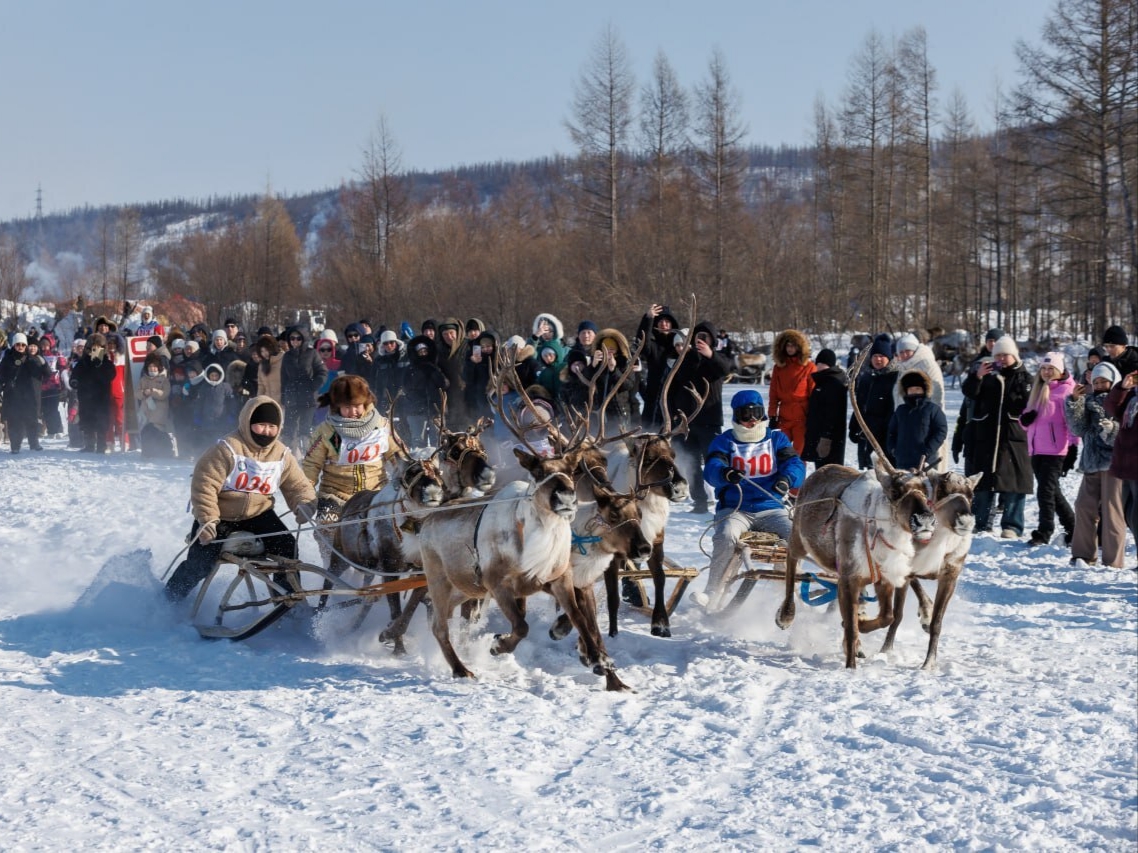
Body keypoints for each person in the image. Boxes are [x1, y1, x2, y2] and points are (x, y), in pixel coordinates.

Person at [165, 396, 316, 601]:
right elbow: (205, 484)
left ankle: (286, 601)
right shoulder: (228, 449)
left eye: (272, 426)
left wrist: (304, 504)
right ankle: (170, 597)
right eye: (261, 425)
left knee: (287, 547)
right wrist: (208, 520)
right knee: (200, 562)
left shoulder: (281, 455)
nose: (266, 431)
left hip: (259, 515)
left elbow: (298, 485)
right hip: (220, 515)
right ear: (248, 422)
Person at [701, 389, 805, 610]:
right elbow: (711, 468)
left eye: (756, 413)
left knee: (795, 537)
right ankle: (713, 591)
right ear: (736, 416)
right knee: (726, 535)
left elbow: (794, 464)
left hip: (771, 507)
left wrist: (787, 479)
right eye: (745, 415)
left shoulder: (776, 439)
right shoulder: (724, 441)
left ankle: (789, 590)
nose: (752, 420)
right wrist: (724, 473)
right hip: (736, 508)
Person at [961, 335, 1033, 538]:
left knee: (1014, 482)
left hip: (1013, 437)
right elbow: (969, 393)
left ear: (1014, 355)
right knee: (984, 481)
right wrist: (977, 377)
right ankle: (980, 522)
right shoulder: (987, 374)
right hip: (987, 436)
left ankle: (1012, 525)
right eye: (998, 355)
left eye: (1005, 355)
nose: (1001, 359)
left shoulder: (1024, 377)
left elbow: (1030, 402)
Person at [666, 323, 732, 513]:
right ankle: (700, 501)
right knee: (692, 464)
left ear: (712, 339)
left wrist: (710, 355)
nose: (701, 340)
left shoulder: (718, 358)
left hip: (709, 421)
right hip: (685, 422)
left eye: (705, 336)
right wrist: (673, 415)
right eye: (697, 336)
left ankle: (726, 499)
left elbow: (725, 370)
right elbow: (672, 388)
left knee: (715, 461)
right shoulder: (685, 360)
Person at [1064, 362, 1126, 567]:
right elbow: (1077, 429)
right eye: (1096, 381)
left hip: (1113, 464)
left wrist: (1112, 429)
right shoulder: (1088, 400)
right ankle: (1082, 555)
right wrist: (1075, 401)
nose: (1099, 385)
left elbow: (1126, 433)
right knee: (1083, 506)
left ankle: (1113, 560)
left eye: (1103, 381)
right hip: (1091, 463)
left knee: (1112, 510)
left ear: (1113, 381)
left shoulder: (1122, 400)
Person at [1020, 352, 1079, 545]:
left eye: (1050, 368)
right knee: (1053, 492)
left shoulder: (1067, 391)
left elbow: (1073, 422)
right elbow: (1026, 418)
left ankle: (1044, 532)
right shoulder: (1038, 388)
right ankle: (1074, 528)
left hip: (1055, 451)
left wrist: (1073, 448)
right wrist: (1024, 420)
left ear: (1059, 370)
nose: (1046, 372)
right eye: (1043, 369)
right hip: (1036, 449)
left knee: (1045, 492)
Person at [892, 332, 948, 471]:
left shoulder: (927, 364)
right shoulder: (903, 367)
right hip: (906, 424)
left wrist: (926, 418)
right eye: (901, 352)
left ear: (916, 350)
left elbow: (936, 395)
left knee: (928, 475)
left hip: (925, 426)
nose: (904, 354)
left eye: (908, 350)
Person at [849, 334, 897, 469]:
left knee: (883, 473)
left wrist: (883, 430)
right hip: (865, 435)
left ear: (889, 357)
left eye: (882, 356)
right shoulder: (866, 378)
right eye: (875, 356)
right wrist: (854, 427)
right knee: (867, 473)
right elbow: (858, 405)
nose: (878, 359)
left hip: (884, 438)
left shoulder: (894, 378)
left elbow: (893, 410)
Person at [1104, 366, 1138, 555]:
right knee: (1128, 512)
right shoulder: (1131, 396)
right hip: (1126, 464)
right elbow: (1111, 408)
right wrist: (1122, 388)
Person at [887, 370, 948, 470]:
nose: (914, 392)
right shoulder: (901, 410)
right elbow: (891, 432)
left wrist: (928, 450)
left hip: (926, 462)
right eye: (911, 389)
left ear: (924, 389)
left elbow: (941, 431)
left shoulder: (932, 409)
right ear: (906, 391)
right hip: (902, 462)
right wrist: (893, 449)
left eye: (917, 389)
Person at [280, 326, 327, 453]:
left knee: (305, 431)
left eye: (298, 338)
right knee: (288, 430)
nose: (295, 341)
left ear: (304, 339)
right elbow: (284, 378)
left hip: (308, 398)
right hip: (291, 397)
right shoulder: (287, 356)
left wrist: (312, 386)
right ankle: (287, 456)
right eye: (292, 338)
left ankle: (308, 457)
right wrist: (283, 397)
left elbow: (322, 372)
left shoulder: (312, 353)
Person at [768, 329, 814, 456]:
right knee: (782, 453)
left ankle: (799, 470)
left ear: (799, 347)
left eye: (793, 345)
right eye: (788, 345)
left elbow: (814, 395)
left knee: (799, 455)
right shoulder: (779, 367)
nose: (790, 348)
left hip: (802, 417)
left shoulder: (809, 367)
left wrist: (813, 417)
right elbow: (773, 393)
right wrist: (772, 415)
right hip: (784, 417)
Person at [634, 303, 680, 428]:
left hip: (674, 404)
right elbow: (642, 345)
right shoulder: (653, 346)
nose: (664, 324)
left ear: (672, 324)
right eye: (660, 322)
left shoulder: (679, 347)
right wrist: (648, 319)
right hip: (653, 402)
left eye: (667, 321)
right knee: (649, 435)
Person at [0, 332, 48, 452]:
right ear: (14, 345)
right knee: (14, 421)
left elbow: (47, 374)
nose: (20, 347)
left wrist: (43, 362)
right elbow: (1, 376)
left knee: (32, 420)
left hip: (29, 395)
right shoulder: (7, 359)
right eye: (18, 344)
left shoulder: (32, 358)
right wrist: (5, 385)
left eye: (23, 344)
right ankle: (15, 446)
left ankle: (34, 443)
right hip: (12, 396)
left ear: (26, 346)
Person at [70, 333, 117, 453]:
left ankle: (101, 444)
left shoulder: (106, 363)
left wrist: (98, 365)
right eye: (93, 347)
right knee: (87, 420)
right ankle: (89, 444)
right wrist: (74, 381)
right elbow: (74, 375)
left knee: (101, 420)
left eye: (98, 347)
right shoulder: (83, 362)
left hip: (101, 397)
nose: (95, 350)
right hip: (86, 396)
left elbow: (111, 375)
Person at [802, 348, 848, 469]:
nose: (820, 366)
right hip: (819, 435)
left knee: (829, 470)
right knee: (821, 469)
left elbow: (833, 414)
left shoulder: (833, 383)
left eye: (824, 363)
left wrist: (826, 437)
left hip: (828, 439)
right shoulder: (822, 381)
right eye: (819, 363)